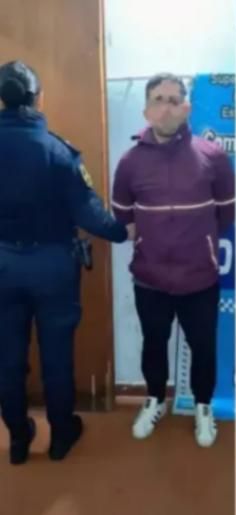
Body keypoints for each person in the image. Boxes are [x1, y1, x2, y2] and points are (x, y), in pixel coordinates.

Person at [0, 60, 130, 464]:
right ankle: (60, 436)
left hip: (2, 266)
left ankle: (18, 438)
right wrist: (121, 231)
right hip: (53, 266)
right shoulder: (58, 152)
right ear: (39, 98)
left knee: (6, 358)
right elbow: (89, 213)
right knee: (56, 355)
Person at [111, 72, 236, 448]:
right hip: (150, 278)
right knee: (154, 342)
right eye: (158, 100)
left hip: (199, 277)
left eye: (173, 100)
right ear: (146, 109)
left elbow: (226, 214)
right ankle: (154, 400)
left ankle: (203, 406)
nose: (166, 108)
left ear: (187, 107)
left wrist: (198, 242)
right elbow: (122, 218)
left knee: (204, 347)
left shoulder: (213, 157)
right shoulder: (129, 162)